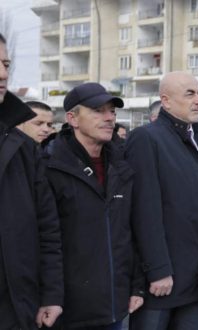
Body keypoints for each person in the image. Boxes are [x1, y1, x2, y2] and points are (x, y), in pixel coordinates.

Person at [126, 72, 198, 329]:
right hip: (163, 280)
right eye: (189, 94)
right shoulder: (147, 138)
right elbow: (144, 212)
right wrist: (157, 270)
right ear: (166, 101)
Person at [46, 83, 143, 328]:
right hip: (68, 311)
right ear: (72, 119)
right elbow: (46, 241)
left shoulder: (122, 166)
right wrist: (50, 297)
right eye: (99, 111)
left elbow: (131, 232)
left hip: (115, 307)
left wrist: (136, 286)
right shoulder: (49, 168)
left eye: (112, 111)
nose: (110, 117)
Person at [0, 32, 63, 329]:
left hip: (14, 305)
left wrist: (51, 294)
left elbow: (46, 227)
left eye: (6, 64)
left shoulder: (23, 149)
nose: (2, 74)